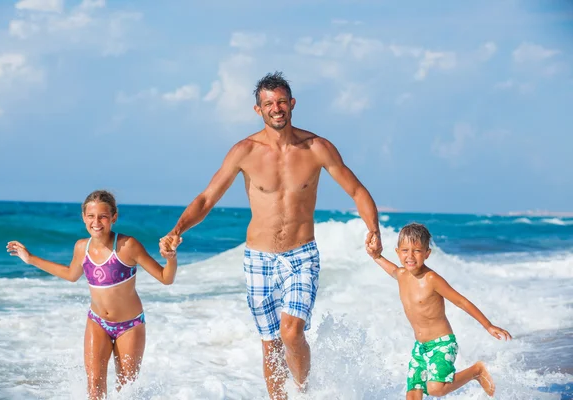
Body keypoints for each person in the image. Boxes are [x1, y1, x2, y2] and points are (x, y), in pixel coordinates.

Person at [160, 71, 383, 399]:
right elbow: (207, 198)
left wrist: (373, 229)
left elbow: (357, 190)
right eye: (268, 104)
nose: (276, 108)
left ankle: (304, 390)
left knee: (291, 332)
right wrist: (177, 230)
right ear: (258, 109)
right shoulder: (244, 151)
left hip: (301, 254)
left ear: (292, 104)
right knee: (270, 343)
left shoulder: (317, 147)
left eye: (281, 102)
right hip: (258, 258)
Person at [6, 190, 177, 400]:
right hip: (97, 322)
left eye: (103, 216)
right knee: (94, 388)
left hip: (130, 326)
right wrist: (30, 258)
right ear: (83, 217)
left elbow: (165, 278)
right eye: (91, 216)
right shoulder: (81, 247)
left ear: (114, 217)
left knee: (126, 390)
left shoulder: (127, 246)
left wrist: (171, 259)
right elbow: (70, 274)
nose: (96, 222)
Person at [372, 222, 512, 399]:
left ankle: (476, 371)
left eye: (417, 251)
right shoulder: (401, 275)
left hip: (442, 344)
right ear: (398, 252)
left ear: (427, 253)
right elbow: (389, 267)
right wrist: (375, 256)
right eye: (405, 250)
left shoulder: (431, 279)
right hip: (420, 347)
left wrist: (488, 325)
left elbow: (461, 301)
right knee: (413, 394)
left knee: (436, 389)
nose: (410, 256)